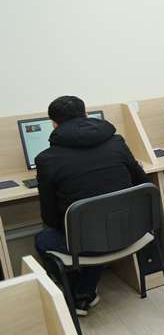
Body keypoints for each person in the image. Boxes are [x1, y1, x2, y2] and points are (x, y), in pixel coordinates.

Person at [35, 96, 150, 316]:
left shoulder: (46, 160)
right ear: (86, 115)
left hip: (90, 242)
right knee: (95, 226)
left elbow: (49, 217)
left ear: (54, 124)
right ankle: (84, 292)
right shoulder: (116, 142)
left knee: (45, 238)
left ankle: (77, 292)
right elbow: (143, 183)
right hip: (131, 231)